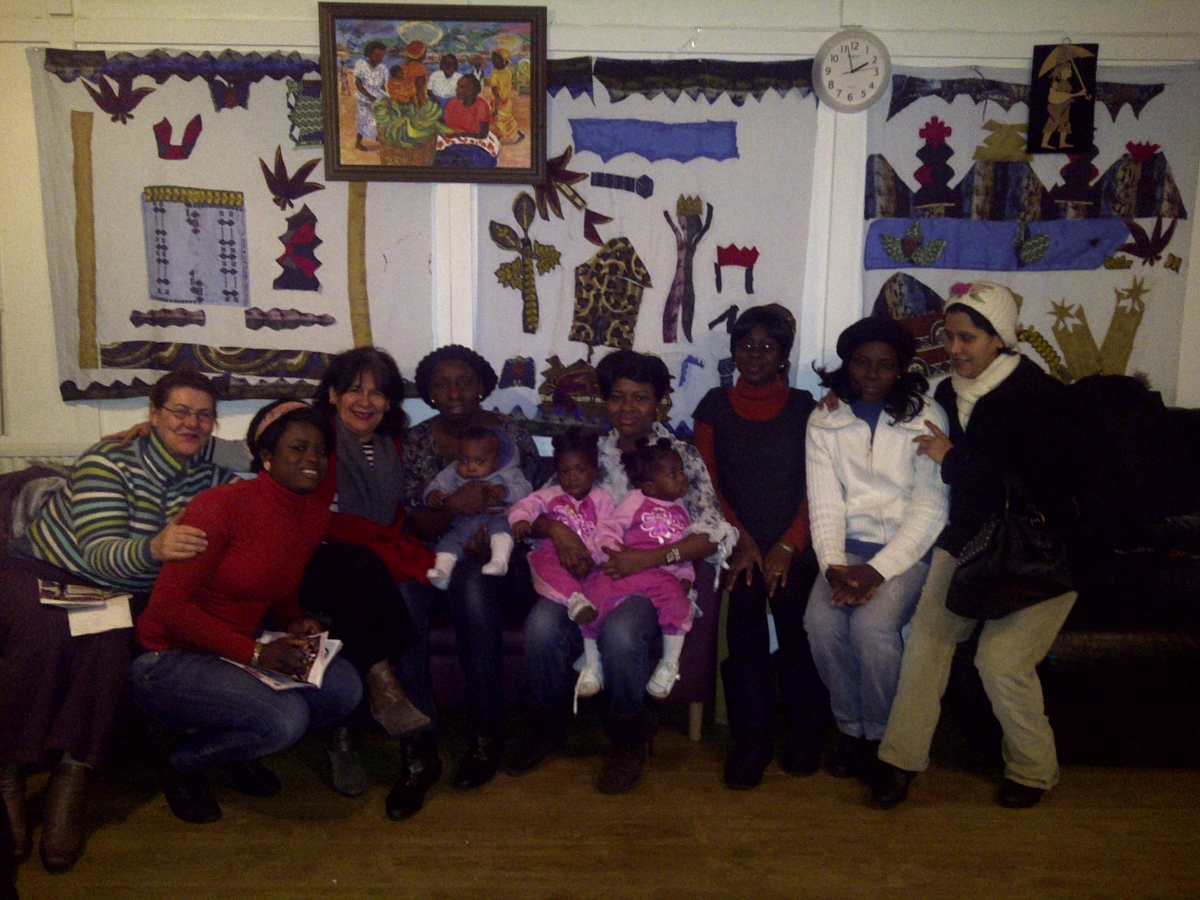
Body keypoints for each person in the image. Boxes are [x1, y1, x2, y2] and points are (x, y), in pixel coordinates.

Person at [0, 368, 237, 872]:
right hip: (43, 567)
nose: (191, 423)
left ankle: (72, 780)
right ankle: (8, 776)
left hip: (111, 592)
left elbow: (263, 472)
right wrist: (155, 548)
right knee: (45, 634)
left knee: (108, 642)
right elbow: (99, 553)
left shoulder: (212, 476)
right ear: (153, 414)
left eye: (204, 415)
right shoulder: (106, 462)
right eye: (179, 411)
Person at [870, 281, 1077, 810]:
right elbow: (891, 396)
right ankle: (899, 761)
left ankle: (1033, 768)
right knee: (927, 645)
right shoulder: (946, 394)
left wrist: (953, 459)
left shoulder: (1042, 397)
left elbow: (1039, 487)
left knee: (1000, 661)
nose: (955, 348)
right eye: (949, 336)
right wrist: (836, 395)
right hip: (966, 540)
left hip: (1037, 550)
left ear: (1000, 338)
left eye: (969, 338)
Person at [506, 350, 736, 794]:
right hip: (584, 578)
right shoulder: (589, 452)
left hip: (653, 582)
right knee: (541, 627)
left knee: (622, 633)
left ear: (660, 402)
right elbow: (536, 510)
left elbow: (713, 534)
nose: (628, 408)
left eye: (640, 397)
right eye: (617, 397)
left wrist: (648, 559)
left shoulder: (681, 456)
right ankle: (546, 727)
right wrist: (557, 530)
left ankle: (628, 738)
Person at [128, 402, 362, 824]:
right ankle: (182, 761)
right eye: (298, 448)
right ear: (266, 457)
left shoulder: (312, 513)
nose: (313, 458)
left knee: (344, 687)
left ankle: (234, 749)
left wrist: (293, 619)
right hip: (169, 657)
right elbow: (167, 608)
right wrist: (255, 654)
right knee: (285, 720)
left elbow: (279, 582)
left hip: (239, 651)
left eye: (320, 450)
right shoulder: (220, 506)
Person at [803, 317, 948, 779]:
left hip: (907, 552)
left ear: (901, 369)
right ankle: (851, 729)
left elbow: (930, 510)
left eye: (885, 365)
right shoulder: (825, 418)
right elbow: (825, 502)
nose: (871, 373)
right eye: (862, 362)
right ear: (848, 364)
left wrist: (877, 571)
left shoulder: (926, 417)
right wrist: (833, 567)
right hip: (845, 552)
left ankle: (885, 735)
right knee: (821, 624)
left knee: (872, 629)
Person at [692, 304, 828, 789]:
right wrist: (742, 541)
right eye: (745, 345)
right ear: (733, 351)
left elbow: (819, 484)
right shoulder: (713, 405)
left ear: (783, 355)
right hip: (735, 541)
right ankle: (752, 738)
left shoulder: (807, 408)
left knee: (795, 618)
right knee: (745, 615)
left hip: (796, 541)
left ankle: (804, 731)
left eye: (766, 347)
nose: (754, 354)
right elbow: (707, 484)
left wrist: (789, 545)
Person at [402, 345, 543, 793]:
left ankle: (486, 731)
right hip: (437, 552)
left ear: (482, 385)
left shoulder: (510, 433)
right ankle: (418, 735)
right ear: (427, 392)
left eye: (464, 382)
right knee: (404, 591)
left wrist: (497, 531)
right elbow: (414, 519)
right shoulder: (417, 441)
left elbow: (537, 503)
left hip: (505, 558)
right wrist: (454, 508)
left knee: (473, 582)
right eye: (440, 385)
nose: (453, 393)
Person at [304, 347, 434, 814]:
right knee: (358, 572)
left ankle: (405, 744)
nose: (365, 401)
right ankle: (379, 715)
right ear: (333, 394)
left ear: (389, 402)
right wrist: (149, 432)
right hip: (313, 558)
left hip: (379, 558)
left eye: (377, 393)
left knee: (394, 592)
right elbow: (250, 446)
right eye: (354, 389)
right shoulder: (310, 436)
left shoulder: (397, 445)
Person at [583, 439, 696, 703]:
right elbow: (611, 528)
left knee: (678, 605)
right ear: (650, 486)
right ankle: (592, 663)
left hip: (662, 575)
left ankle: (669, 664)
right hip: (628, 569)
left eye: (681, 471)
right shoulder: (636, 499)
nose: (682, 478)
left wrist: (684, 578)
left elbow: (684, 554)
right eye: (673, 474)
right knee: (595, 598)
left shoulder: (682, 509)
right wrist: (611, 552)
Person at [508, 428, 614, 625]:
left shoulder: (602, 498)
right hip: (552, 554)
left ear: (595, 472)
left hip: (589, 561)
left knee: (604, 582)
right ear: (557, 474)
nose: (572, 476)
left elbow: (606, 533)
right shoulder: (549, 494)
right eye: (565, 471)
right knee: (545, 565)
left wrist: (590, 557)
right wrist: (521, 520)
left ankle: (591, 622)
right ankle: (574, 599)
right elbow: (524, 506)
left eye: (580, 470)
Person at [424, 426, 532, 588]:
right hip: (462, 526)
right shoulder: (452, 472)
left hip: (497, 518)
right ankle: (442, 573)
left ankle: (499, 561)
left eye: (480, 462)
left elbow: (526, 491)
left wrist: (506, 491)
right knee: (447, 544)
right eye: (464, 461)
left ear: (496, 462)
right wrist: (432, 495)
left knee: (502, 531)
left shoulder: (507, 473)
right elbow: (436, 484)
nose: (471, 467)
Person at [353, 41, 388, 151]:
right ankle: (358, 142)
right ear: (369, 53)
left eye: (382, 55)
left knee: (379, 119)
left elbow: (382, 85)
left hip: (377, 98)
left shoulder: (382, 68)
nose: (380, 58)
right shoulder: (361, 65)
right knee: (363, 120)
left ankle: (379, 137)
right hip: (364, 98)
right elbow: (358, 83)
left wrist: (385, 96)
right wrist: (368, 95)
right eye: (377, 55)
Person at [485, 49, 522, 144]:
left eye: (495, 59)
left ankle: (499, 138)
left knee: (497, 120)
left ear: (504, 61)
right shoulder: (508, 72)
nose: (493, 62)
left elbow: (496, 94)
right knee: (507, 119)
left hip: (499, 103)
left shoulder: (494, 74)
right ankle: (517, 134)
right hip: (507, 102)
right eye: (493, 59)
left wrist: (496, 108)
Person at [443, 74, 491, 139]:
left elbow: (482, 134)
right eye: (458, 86)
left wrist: (461, 135)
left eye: (461, 87)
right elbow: (446, 125)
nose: (456, 89)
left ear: (471, 90)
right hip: (451, 139)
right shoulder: (452, 103)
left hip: (475, 140)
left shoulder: (481, 106)